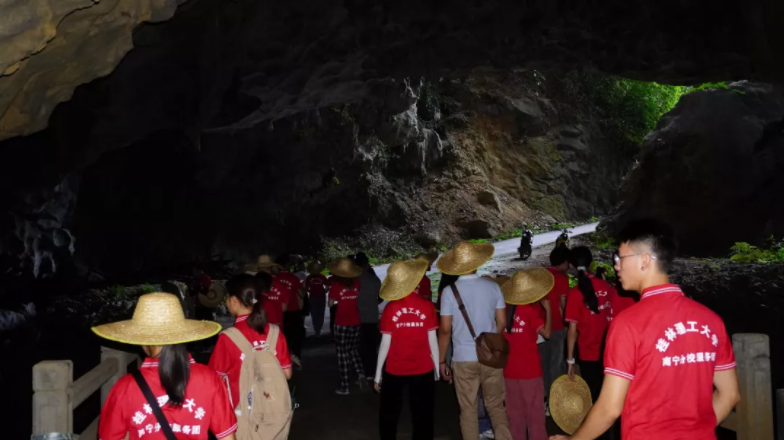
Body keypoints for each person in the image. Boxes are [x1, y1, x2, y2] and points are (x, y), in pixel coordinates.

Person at [550, 220, 740, 440]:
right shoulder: (711, 321)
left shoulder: (627, 324)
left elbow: (609, 409)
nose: (616, 266)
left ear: (644, 260)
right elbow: (730, 394)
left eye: (620, 258)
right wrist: (695, 431)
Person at [92, 292, 237, 440]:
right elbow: (227, 437)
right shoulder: (208, 379)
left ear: (142, 341)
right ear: (184, 335)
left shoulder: (125, 388)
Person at [437, 241, 512, 440]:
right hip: (491, 357)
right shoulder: (493, 287)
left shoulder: (449, 292)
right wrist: (488, 342)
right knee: (496, 406)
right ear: (477, 263)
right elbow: (502, 323)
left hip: (463, 358)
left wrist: (441, 360)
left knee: (468, 410)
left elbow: (445, 330)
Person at [375, 258, 440, 440]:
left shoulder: (390, 308)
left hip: (395, 369)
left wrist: (378, 374)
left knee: (389, 413)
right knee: (423, 415)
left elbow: (385, 344)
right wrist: (437, 367)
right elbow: (432, 340)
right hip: (423, 369)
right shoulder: (427, 306)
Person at [209, 274, 293, 407]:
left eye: (227, 297)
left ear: (234, 300)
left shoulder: (227, 337)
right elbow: (287, 374)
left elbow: (216, 378)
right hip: (272, 407)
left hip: (241, 409)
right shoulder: (275, 332)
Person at [502, 269, 554, 440]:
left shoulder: (504, 311)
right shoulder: (530, 312)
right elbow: (547, 334)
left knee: (515, 416)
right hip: (530, 371)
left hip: (509, 371)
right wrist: (548, 310)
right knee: (535, 416)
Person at [564, 246, 617, 403]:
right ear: (592, 263)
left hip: (587, 354)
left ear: (571, 265)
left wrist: (570, 361)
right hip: (609, 351)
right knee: (608, 395)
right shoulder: (605, 286)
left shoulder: (574, 293)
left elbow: (572, 332)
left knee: (593, 397)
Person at [327, 257, 366, 395]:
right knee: (353, 350)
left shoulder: (336, 286)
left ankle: (345, 386)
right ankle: (360, 374)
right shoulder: (357, 283)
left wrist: (334, 299)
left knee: (342, 353)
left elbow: (330, 304)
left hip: (341, 323)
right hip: (356, 321)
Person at [540, 246, 571, 415]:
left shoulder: (542, 275)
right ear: (564, 262)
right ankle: (555, 402)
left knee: (543, 364)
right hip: (557, 326)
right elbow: (563, 305)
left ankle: (545, 400)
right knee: (556, 364)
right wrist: (569, 325)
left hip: (540, 326)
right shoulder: (561, 278)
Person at [355, 252, 382, 381]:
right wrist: (372, 302)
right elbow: (381, 297)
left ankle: (360, 372)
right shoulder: (374, 280)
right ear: (366, 264)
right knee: (371, 346)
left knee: (358, 346)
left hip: (356, 317)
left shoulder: (353, 280)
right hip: (372, 316)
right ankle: (371, 372)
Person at [276, 254, 305, 369]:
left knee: (283, 338)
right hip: (293, 311)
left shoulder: (273, 279)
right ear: (287, 265)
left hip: (278, 313)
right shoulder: (293, 278)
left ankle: (283, 362)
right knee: (297, 337)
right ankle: (296, 359)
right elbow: (302, 294)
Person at [305, 262, 329, 337]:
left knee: (314, 313)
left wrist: (311, 291)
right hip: (321, 297)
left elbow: (306, 288)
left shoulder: (309, 277)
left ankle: (316, 330)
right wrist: (324, 291)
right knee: (321, 313)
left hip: (313, 297)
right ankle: (318, 329)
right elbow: (327, 286)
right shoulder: (322, 276)